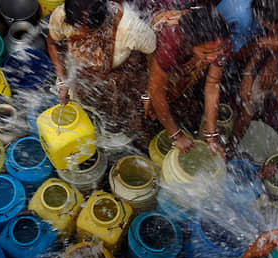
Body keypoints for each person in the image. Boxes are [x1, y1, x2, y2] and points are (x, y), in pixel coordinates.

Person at [47, 0, 157, 151]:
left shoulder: (129, 28)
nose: (82, 34)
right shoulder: (62, 15)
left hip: (118, 80)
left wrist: (149, 93)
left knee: (118, 119)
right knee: (85, 112)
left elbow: (153, 53)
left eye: (89, 31)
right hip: (80, 75)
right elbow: (52, 43)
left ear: (103, 19)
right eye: (76, 28)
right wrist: (62, 81)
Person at [144, 7, 230, 156]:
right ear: (190, 45)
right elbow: (158, 94)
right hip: (155, 45)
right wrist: (176, 136)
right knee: (153, 96)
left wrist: (211, 137)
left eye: (218, 50)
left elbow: (212, 87)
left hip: (178, 58)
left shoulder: (220, 41)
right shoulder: (171, 43)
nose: (214, 57)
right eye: (206, 53)